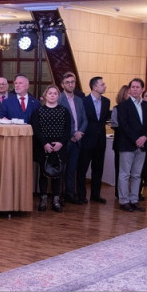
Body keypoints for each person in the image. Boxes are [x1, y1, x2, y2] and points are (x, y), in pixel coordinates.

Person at [30, 85, 72, 212]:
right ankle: (43, 199)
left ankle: (56, 200)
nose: (52, 95)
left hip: (59, 147)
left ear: (58, 96)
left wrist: (60, 143)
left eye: (55, 93)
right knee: (43, 174)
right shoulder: (38, 111)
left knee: (58, 174)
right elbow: (36, 129)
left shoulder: (64, 111)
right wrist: (44, 144)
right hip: (44, 147)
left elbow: (67, 129)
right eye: (50, 93)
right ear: (45, 95)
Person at [114, 78, 147, 212]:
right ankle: (124, 201)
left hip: (142, 145)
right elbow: (123, 125)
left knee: (136, 174)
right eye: (133, 87)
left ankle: (134, 200)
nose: (135, 89)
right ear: (129, 89)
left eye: (137, 87)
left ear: (142, 89)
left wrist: (145, 137)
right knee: (124, 174)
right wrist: (136, 139)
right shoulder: (123, 106)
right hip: (127, 144)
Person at [77, 76, 110, 204]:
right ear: (94, 87)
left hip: (100, 141)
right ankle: (81, 195)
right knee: (82, 169)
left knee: (98, 168)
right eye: (102, 84)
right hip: (86, 140)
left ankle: (96, 195)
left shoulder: (106, 101)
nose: (105, 86)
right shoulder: (83, 101)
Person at [57, 72, 87, 204]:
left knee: (71, 169)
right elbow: (60, 121)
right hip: (64, 140)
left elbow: (85, 119)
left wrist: (80, 132)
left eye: (72, 82)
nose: (70, 84)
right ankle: (59, 195)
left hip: (78, 140)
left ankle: (70, 194)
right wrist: (71, 135)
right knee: (61, 169)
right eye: (67, 82)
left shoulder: (79, 100)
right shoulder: (58, 99)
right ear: (62, 85)